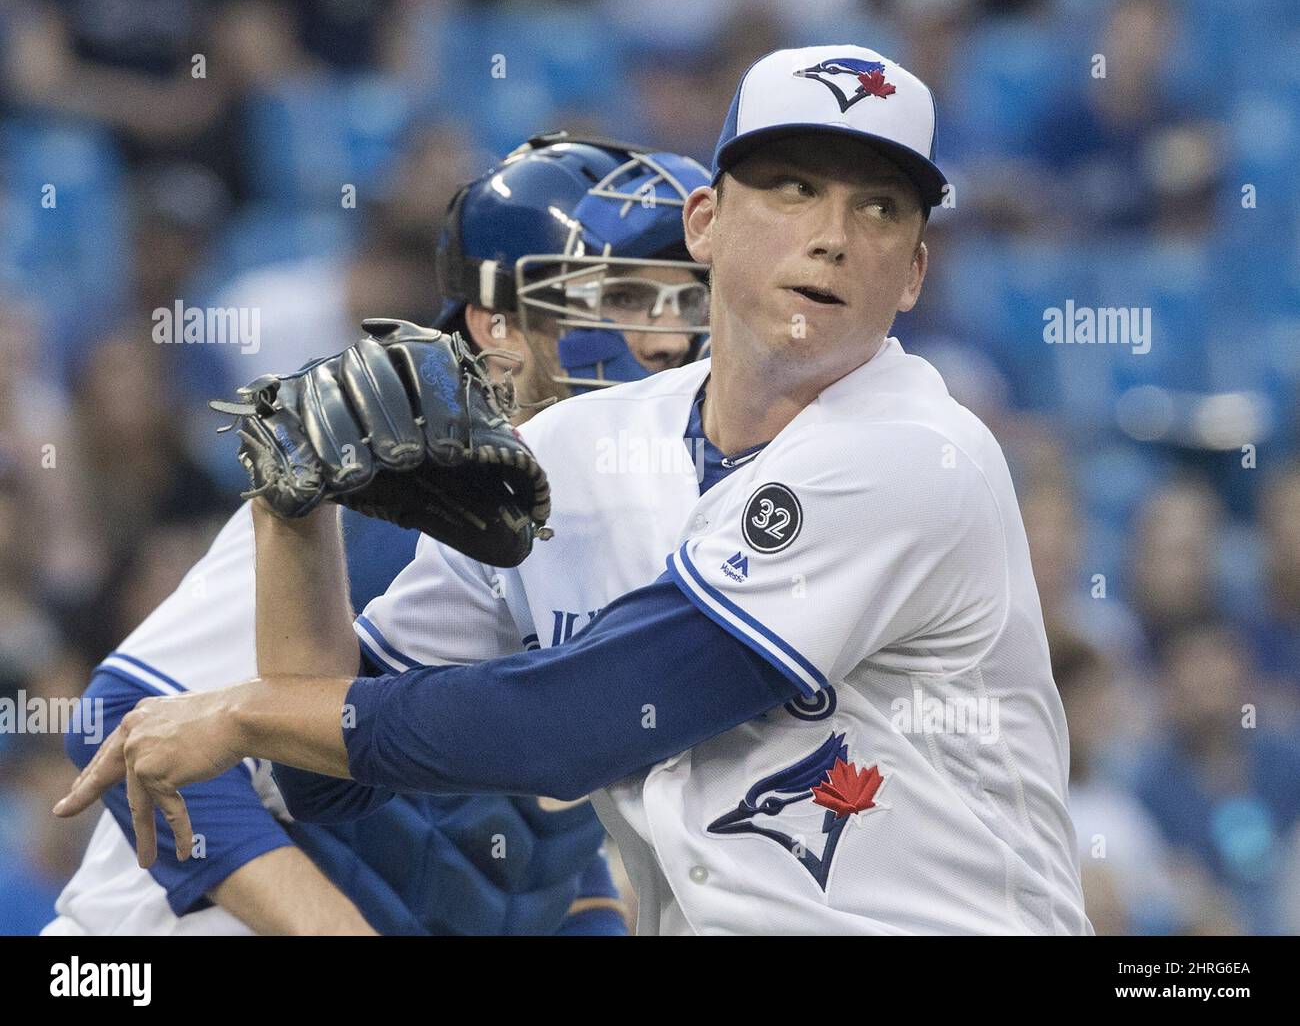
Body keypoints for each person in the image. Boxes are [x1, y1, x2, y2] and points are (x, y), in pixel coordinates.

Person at [57, 46, 1092, 935]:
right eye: (789, 187)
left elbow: (579, 722)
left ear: (913, 272)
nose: (831, 234)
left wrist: (242, 715)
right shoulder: (575, 450)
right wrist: (293, 517)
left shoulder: (916, 451)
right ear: (706, 224)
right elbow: (332, 767)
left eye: (878, 206)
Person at [45, 134, 711, 935]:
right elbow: (122, 717)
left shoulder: (652, 523)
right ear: (497, 325)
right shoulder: (392, 488)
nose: (669, 339)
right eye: (624, 298)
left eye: (686, 301)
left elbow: (540, 846)